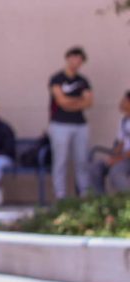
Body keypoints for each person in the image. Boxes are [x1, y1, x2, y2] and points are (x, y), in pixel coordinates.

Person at [47, 46, 94, 198]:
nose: (76, 61)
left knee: (82, 160)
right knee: (60, 160)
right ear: (68, 58)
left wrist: (72, 102)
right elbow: (61, 101)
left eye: (80, 59)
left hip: (80, 124)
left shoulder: (83, 81)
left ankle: (84, 193)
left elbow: (88, 102)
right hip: (60, 124)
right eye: (74, 57)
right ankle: (60, 195)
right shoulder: (57, 79)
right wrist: (78, 99)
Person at [88, 90, 130, 194]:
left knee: (116, 173)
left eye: (124, 100)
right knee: (95, 168)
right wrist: (112, 157)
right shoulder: (124, 120)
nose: (121, 103)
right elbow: (121, 143)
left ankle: (127, 201)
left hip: (127, 158)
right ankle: (101, 202)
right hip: (123, 157)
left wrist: (118, 159)